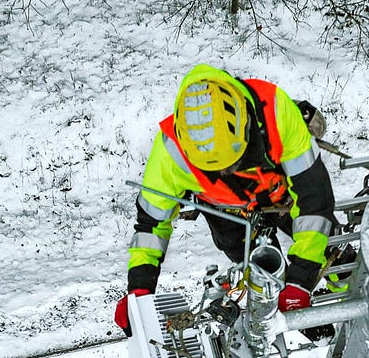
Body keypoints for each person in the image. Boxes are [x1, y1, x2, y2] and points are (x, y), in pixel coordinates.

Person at [114, 64, 338, 334]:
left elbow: (313, 200)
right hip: (230, 215)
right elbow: (151, 226)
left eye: (233, 164)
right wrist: (139, 289)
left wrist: (302, 278)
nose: (226, 172)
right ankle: (289, 315)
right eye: (216, 170)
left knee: (330, 247)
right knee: (264, 277)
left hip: (283, 198)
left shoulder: (276, 113)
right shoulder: (171, 154)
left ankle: (343, 286)